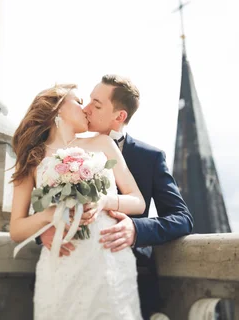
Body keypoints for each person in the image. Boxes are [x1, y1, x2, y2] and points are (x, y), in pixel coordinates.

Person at [40, 75, 194, 319]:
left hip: (127, 274)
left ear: (119, 116)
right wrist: (43, 231)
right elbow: (43, 206)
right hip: (71, 267)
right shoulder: (62, 151)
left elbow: (182, 218)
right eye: (89, 100)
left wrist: (135, 229)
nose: (86, 108)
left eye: (97, 104)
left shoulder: (150, 157)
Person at [9, 83, 146, 320]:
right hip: (62, 264)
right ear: (57, 109)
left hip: (108, 257)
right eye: (79, 101)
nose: (86, 108)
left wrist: (104, 200)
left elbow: (138, 201)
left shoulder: (103, 144)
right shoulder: (32, 159)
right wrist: (48, 216)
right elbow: (16, 229)